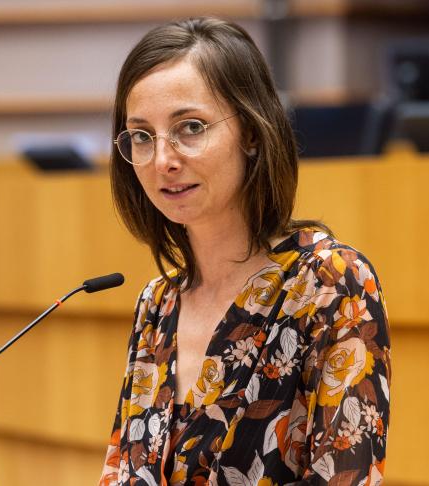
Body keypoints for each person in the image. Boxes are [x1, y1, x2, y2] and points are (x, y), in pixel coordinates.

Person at [100, 17, 391, 486]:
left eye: (190, 127)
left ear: (252, 133)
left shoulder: (331, 282)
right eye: (141, 136)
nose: (163, 160)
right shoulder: (158, 304)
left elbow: (344, 476)